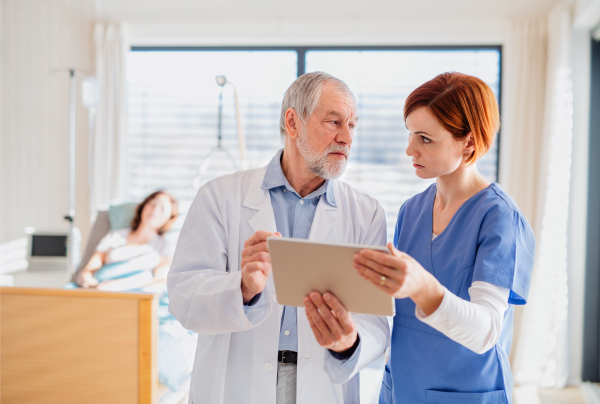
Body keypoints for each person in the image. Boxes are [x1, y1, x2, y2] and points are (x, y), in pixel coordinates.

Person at [167, 72, 390, 404]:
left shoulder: (366, 213)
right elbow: (183, 296)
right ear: (292, 122)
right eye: (334, 122)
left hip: (321, 387)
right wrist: (242, 288)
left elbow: (375, 321)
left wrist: (349, 341)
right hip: (236, 385)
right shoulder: (219, 196)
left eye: (352, 125)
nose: (347, 138)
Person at [353, 72, 535, 404]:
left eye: (425, 138)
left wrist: (424, 288)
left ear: (468, 142)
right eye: (409, 134)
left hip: (467, 392)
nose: (409, 148)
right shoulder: (411, 210)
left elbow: (486, 331)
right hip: (402, 387)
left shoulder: (499, 218)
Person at [73, 190, 179, 290]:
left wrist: (120, 285)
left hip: (133, 292)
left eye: (162, 208)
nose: (155, 210)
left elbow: (159, 281)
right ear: (143, 207)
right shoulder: (115, 236)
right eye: (152, 203)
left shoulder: (165, 245)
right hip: (100, 286)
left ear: (169, 218)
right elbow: (89, 269)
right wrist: (87, 279)